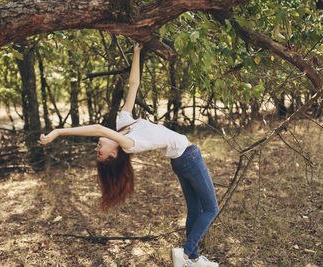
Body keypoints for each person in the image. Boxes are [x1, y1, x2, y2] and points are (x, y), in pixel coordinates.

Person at [38, 43, 219, 267]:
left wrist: (136, 53)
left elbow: (133, 85)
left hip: (181, 160)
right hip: (189, 157)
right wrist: (58, 131)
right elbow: (98, 129)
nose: (97, 148)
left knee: (194, 208)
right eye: (100, 153)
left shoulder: (123, 125)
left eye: (97, 151)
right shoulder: (129, 143)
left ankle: (192, 258)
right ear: (113, 154)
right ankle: (187, 253)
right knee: (211, 208)